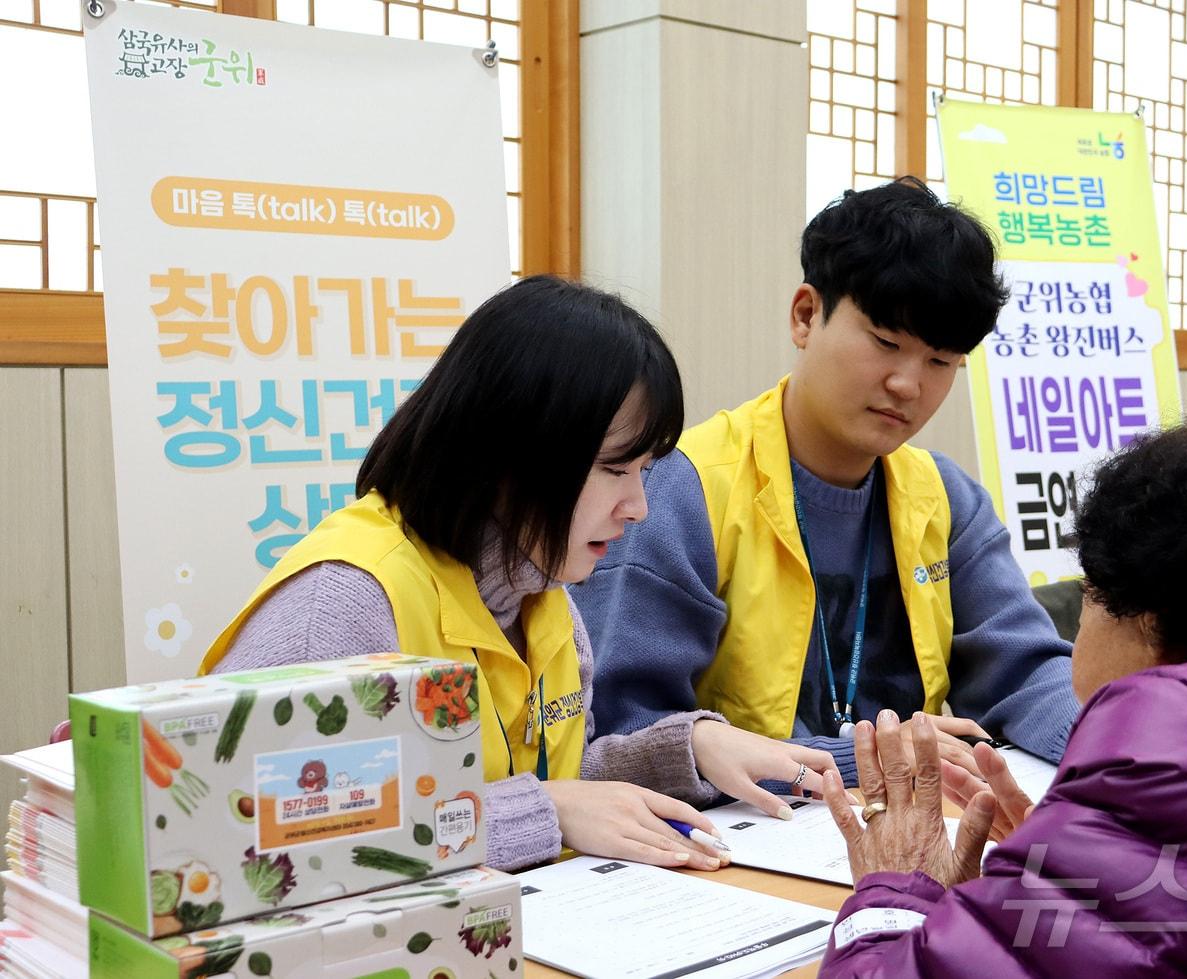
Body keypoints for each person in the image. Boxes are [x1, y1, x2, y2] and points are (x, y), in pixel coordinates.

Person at [199, 276, 837, 873]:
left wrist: (690, 747)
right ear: (508, 456)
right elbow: (257, 836)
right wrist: (547, 814)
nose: (637, 506)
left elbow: (559, 773)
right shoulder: (346, 602)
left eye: (643, 469)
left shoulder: (540, 586)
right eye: (615, 470)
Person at [820, 394, 1187, 975]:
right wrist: (1080, 855)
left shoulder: (1184, 735)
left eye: (1088, 590)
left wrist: (895, 889)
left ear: (1147, 610)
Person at [571, 177, 1080, 784]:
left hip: (910, 823)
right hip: (735, 846)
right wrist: (859, 763)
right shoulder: (684, 490)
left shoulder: (945, 498)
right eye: (886, 342)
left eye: (941, 362)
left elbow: (1024, 672)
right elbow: (623, 729)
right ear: (806, 315)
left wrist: (1121, 745)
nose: (909, 385)